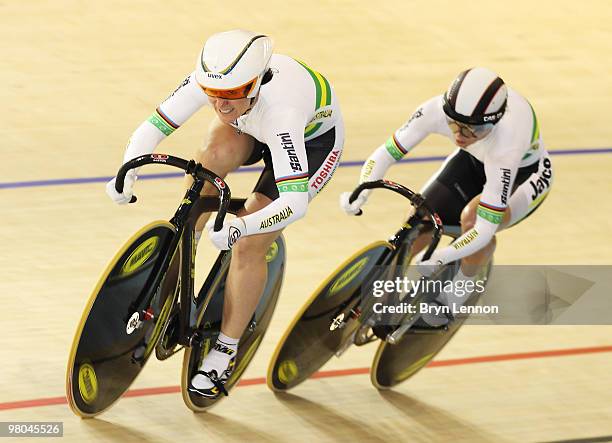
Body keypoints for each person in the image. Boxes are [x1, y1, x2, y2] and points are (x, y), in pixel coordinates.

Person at [106, 29, 344, 397]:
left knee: (250, 244)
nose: (221, 105)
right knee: (206, 165)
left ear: (256, 82)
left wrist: (242, 226)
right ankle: (187, 250)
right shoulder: (215, 83)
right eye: (214, 95)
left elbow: (294, 204)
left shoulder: (282, 111)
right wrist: (127, 170)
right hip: (252, 124)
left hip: (309, 143)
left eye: (232, 94)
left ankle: (225, 350)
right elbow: (152, 127)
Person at [341, 67, 552, 325]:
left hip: (523, 176)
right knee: (418, 217)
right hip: (475, 161)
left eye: (473, 130)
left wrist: (444, 255)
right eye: (455, 125)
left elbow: (484, 229)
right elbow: (386, 152)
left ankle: (457, 294)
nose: (461, 136)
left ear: (493, 122)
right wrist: (364, 187)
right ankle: (390, 294)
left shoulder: (507, 143)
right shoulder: (436, 111)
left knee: (474, 220)